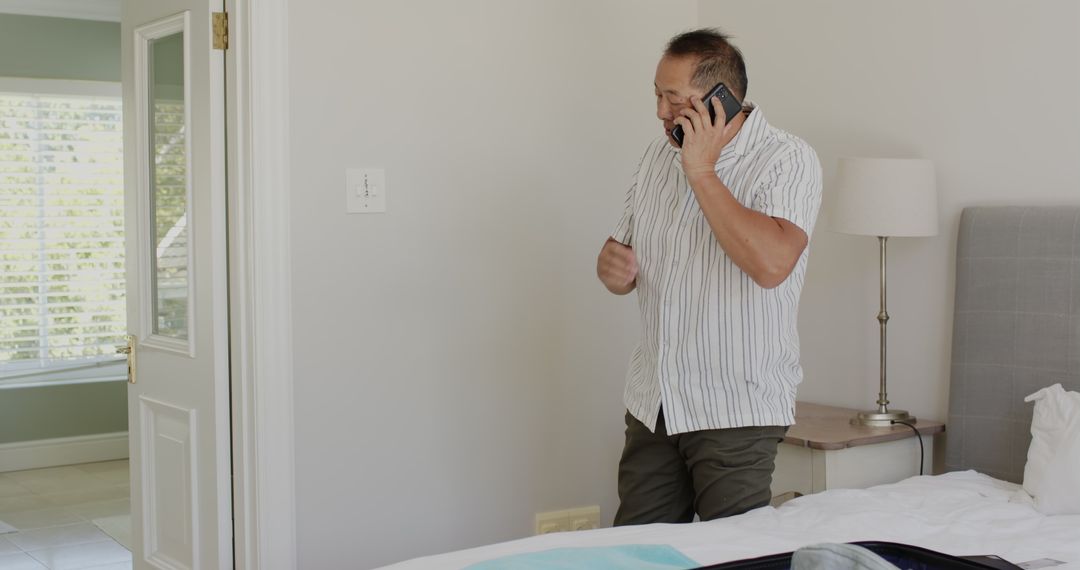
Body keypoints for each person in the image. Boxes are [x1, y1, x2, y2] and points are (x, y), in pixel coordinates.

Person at [596, 28, 822, 525]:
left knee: (734, 557)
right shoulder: (657, 156)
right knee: (635, 554)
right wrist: (613, 268)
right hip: (654, 401)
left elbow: (771, 265)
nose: (660, 111)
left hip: (735, 407)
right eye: (657, 95)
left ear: (722, 99)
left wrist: (702, 171)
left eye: (674, 99)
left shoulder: (786, 158)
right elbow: (620, 251)